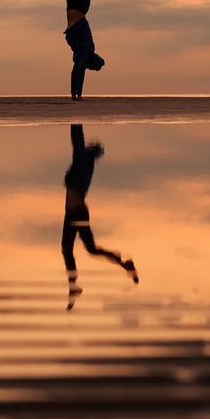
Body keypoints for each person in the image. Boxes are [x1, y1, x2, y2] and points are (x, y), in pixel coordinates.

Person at [61, 123, 138, 309]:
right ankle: (123, 265)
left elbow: (76, 142)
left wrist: (75, 121)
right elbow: (78, 144)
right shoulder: (88, 164)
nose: (86, 146)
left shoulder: (82, 160)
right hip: (75, 211)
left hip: (76, 211)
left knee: (71, 248)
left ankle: (74, 286)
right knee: (86, 249)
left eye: (89, 146)